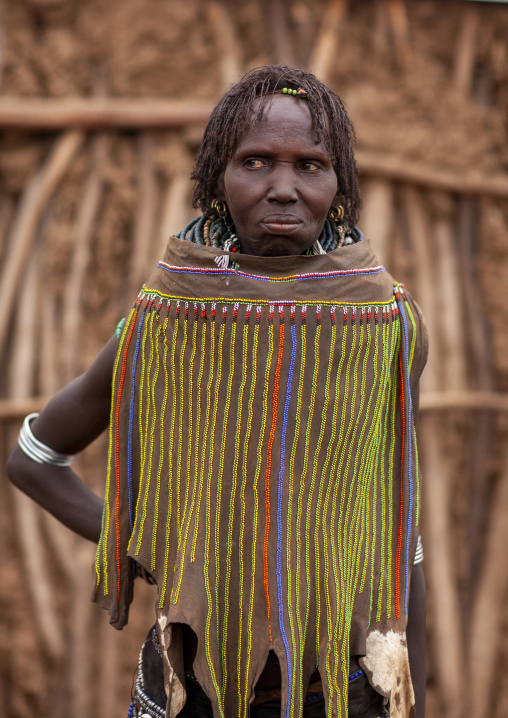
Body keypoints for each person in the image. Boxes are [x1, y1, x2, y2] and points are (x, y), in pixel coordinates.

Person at [7, 65, 427, 718]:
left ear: (338, 184)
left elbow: (398, 523)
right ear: (216, 180)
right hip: (188, 694)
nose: (283, 188)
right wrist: (155, 549)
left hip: (343, 692)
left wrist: (413, 693)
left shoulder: (384, 325)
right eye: (255, 161)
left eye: (310, 165)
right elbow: (34, 459)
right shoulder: (163, 322)